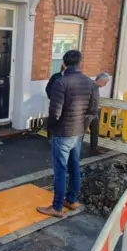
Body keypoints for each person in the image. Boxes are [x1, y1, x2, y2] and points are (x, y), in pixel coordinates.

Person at [38, 50, 99, 217]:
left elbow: (55, 112)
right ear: (80, 63)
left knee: (60, 171)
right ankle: (71, 200)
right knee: (74, 168)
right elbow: (93, 110)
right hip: (78, 133)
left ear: (63, 64)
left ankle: (56, 207)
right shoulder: (90, 83)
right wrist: (81, 127)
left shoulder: (61, 82)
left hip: (63, 133)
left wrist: (50, 128)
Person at [88, 72, 110, 155]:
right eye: (105, 83)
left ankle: (94, 149)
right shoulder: (90, 86)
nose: (105, 85)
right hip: (88, 113)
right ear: (100, 80)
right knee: (82, 133)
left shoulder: (96, 87)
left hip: (94, 113)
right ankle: (75, 150)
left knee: (95, 131)